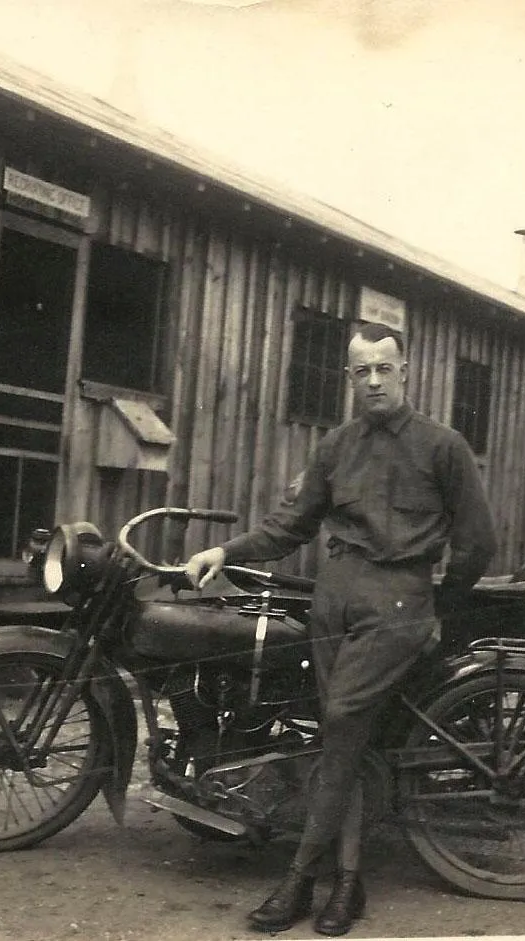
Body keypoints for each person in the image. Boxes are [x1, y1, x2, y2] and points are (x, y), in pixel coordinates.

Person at [185, 322, 496, 936]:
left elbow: (477, 543)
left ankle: (299, 881)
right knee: (342, 745)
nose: (374, 380)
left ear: (405, 371)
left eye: (385, 368)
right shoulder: (335, 446)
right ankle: (348, 885)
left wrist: (438, 608)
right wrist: (225, 551)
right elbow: (290, 526)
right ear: (349, 378)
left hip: (397, 602)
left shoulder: (443, 446)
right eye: (362, 371)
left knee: (341, 730)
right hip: (334, 600)